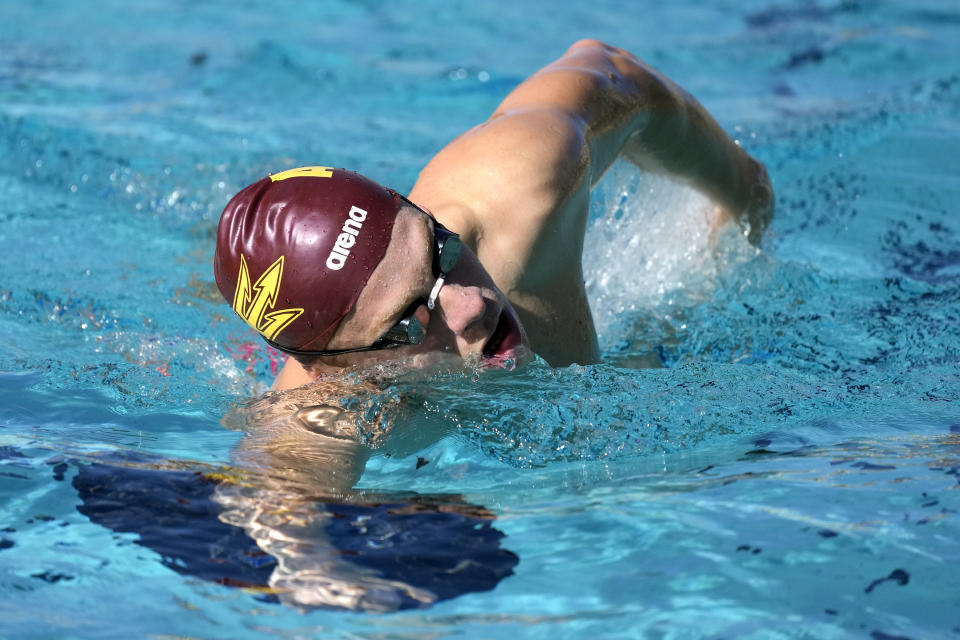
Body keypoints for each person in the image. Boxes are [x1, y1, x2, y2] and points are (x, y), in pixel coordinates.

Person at [214, 39, 773, 393]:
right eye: (411, 318)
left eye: (440, 251)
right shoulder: (329, 409)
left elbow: (612, 71)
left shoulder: (520, 185)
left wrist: (737, 188)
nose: (473, 304)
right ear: (341, 370)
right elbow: (277, 503)